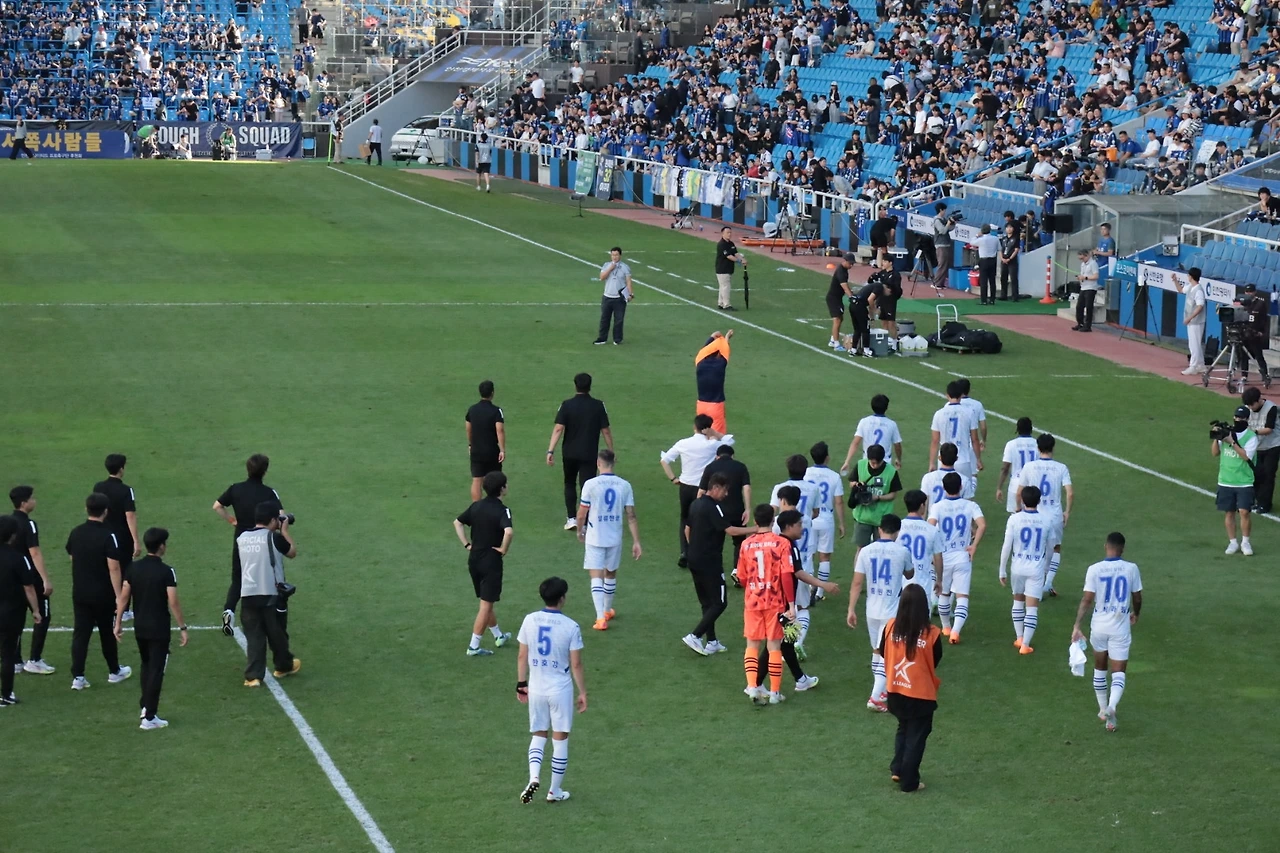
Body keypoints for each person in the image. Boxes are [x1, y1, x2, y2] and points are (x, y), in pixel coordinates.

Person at [516, 576, 586, 804]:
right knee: (560, 739)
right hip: (560, 689)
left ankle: (534, 777)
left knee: (538, 734)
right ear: (562, 598)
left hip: (536, 688)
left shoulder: (529, 620)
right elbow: (576, 664)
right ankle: (554, 791)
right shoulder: (571, 626)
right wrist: (582, 692)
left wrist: (521, 684)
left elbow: (522, 656)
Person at [113, 528, 188, 730]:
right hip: (159, 628)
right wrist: (182, 626)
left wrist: (118, 622)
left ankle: (145, 706)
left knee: (146, 666)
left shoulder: (133, 568)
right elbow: (173, 602)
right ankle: (149, 716)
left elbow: (123, 597)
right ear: (161, 546)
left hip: (140, 627)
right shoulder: (166, 571)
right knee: (156, 670)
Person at [1071, 532, 1142, 733]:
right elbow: (1137, 597)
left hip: (1099, 626)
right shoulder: (1131, 568)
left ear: (1105, 546)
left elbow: (1087, 599)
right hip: (1120, 626)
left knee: (1100, 667)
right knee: (1118, 671)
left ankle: (1103, 710)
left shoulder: (1094, 569)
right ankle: (1112, 707)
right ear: (1123, 549)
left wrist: (1077, 625)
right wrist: (1136, 613)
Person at [681, 473, 753, 655]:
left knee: (707, 602)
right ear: (715, 488)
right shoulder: (714, 507)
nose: (726, 494)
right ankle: (695, 635)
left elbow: (687, 529)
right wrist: (757, 529)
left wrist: (694, 548)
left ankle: (712, 641)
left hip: (694, 559)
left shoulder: (696, 504)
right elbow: (730, 530)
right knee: (720, 603)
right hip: (709, 562)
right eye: (725, 490)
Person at [881, 584, 943, 792]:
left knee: (904, 727)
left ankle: (898, 769)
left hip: (895, 690)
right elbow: (936, 659)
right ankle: (909, 781)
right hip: (920, 694)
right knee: (916, 737)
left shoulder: (891, 627)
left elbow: (882, 651)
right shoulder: (932, 634)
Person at [213, 454, 284, 636]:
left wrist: (232, 520)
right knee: (266, 578)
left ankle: (229, 611)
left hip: (241, 540)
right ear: (265, 471)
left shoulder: (235, 489)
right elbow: (281, 516)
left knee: (238, 578)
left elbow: (217, 506)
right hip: (263, 541)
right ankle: (268, 617)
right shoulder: (269, 493)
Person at [66, 493, 132, 690]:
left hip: (80, 591)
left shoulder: (76, 532)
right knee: (106, 632)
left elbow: (72, 557)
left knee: (81, 634)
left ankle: (78, 676)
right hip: (103, 593)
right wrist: (119, 596)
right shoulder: (108, 535)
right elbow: (114, 567)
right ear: (106, 511)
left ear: (86, 509)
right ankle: (114, 671)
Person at [847, 513, 911, 712]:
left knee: (877, 650)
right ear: (898, 531)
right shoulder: (902, 551)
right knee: (888, 653)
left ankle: (881, 691)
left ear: (880, 529)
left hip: (871, 610)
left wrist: (851, 609)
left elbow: (857, 582)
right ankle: (875, 697)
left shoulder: (866, 551)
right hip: (892, 611)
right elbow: (910, 574)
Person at [576, 449, 641, 630]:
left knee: (596, 574)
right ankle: (606, 611)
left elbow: (581, 513)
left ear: (598, 463)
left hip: (595, 536)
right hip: (615, 537)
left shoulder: (590, 484)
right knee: (610, 572)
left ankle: (600, 618)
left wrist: (580, 530)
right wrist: (636, 541)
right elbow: (631, 516)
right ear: (614, 463)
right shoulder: (625, 485)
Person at [738, 505, 796, 705]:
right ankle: (774, 693)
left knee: (752, 644)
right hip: (774, 601)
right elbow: (786, 575)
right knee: (774, 646)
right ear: (773, 520)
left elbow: (742, 577)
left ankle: (753, 687)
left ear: (755, 521)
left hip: (753, 600)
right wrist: (791, 604)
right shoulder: (781, 543)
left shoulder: (746, 544)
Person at [238, 503, 300, 685]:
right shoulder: (274, 538)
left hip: (248, 592)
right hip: (271, 593)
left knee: (254, 636)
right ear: (273, 520)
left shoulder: (242, 538)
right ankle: (283, 666)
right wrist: (285, 531)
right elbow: (292, 552)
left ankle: (253, 677)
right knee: (277, 633)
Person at [454, 472, 514, 655]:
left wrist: (467, 544)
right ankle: (474, 646)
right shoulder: (503, 510)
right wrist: (503, 549)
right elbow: (509, 532)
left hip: (474, 560)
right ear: (502, 489)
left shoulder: (476, 506)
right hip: (491, 561)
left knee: (486, 601)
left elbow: (457, 522)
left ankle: (498, 636)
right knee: (486, 605)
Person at [661, 415, 733, 568]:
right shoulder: (712, 445)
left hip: (685, 486)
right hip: (703, 487)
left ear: (694, 427)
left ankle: (685, 552)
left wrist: (673, 478)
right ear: (708, 428)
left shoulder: (683, 443)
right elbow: (729, 442)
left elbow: (664, 460)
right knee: (704, 519)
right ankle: (702, 550)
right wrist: (715, 433)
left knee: (685, 519)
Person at [547, 373, 613, 531]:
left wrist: (550, 450)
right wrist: (611, 450)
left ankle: (571, 518)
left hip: (569, 452)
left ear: (575, 385)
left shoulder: (566, 405)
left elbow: (558, 429)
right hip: (589, 452)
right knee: (587, 486)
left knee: (569, 483)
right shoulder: (598, 405)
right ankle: (586, 521)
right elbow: (605, 430)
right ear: (590, 386)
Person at [927, 473, 986, 642]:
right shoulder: (970, 505)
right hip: (962, 555)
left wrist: (931, 551)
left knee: (944, 594)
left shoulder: (937, 507)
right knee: (962, 596)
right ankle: (955, 631)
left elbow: (930, 528)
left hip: (943, 556)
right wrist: (974, 546)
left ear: (944, 488)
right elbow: (982, 525)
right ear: (961, 487)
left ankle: (946, 627)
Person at [1015, 433, 1073, 595]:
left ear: (1038, 448)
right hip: (1054, 516)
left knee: (1036, 549)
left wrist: (1018, 509)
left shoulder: (1029, 466)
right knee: (1056, 548)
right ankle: (1047, 583)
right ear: (1053, 448)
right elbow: (1069, 493)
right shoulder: (1061, 468)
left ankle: (1034, 583)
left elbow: (1019, 492)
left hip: (1034, 515)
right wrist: (1067, 512)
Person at [998, 486, 1053, 654]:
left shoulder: (1014, 519)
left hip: (1017, 567)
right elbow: (1050, 547)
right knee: (1032, 607)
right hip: (1036, 568)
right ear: (1039, 500)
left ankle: (1019, 637)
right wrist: (1047, 567)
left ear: (1022, 500)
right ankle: (1025, 645)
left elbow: (1006, 546)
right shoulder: (1046, 520)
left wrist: (1002, 570)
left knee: (1018, 600)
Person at [10, 485, 52, 675]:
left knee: (16, 618)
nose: (35, 501)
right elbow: (34, 553)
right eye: (32, 498)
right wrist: (45, 579)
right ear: (23, 503)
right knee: (43, 616)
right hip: (31, 579)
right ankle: (34, 659)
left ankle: (15, 661)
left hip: (12, 578)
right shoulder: (29, 524)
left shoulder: (7, 522)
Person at [0, 516, 41, 705]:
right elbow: (28, 587)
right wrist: (36, 610)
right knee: (8, 654)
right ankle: (6, 695)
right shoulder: (18, 558)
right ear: (13, 535)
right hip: (11, 613)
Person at [93, 454, 140, 612]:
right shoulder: (126, 490)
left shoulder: (98, 487)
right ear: (121, 469)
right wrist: (136, 540)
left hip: (101, 534)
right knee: (125, 571)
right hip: (122, 537)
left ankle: (107, 605)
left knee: (105, 570)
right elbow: (130, 515)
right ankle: (123, 609)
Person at [699, 444, 752, 582]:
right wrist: (747, 509)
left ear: (717, 456)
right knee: (739, 541)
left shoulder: (710, 467)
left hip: (715, 510)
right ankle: (737, 570)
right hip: (736, 510)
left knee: (716, 542)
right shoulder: (740, 466)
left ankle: (717, 572)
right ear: (732, 455)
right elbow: (746, 488)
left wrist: (699, 507)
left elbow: (702, 491)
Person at [1213, 405, 1257, 556]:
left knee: (1244, 512)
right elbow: (1215, 453)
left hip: (1244, 480)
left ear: (1247, 419)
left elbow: (1246, 456)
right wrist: (1217, 437)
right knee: (1229, 513)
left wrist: (1231, 442)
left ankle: (1245, 542)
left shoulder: (1251, 437)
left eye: (1241, 417)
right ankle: (1232, 542)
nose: (1238, 420)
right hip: (1226, 480)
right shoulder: (1227, 433)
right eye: (1237, 417)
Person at [804, 441, 845, 601]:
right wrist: (841, 523)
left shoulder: (806, 473)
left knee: (808, 554)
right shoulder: (834, 476)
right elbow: (839, 502)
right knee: (825, 557)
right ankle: (820, 593)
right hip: (826, 518)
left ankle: (808, 588)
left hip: (809, 518)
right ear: (827, 457)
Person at [896, 490, 944, 612]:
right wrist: (939, 580)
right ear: (922, 505)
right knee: (922, 619)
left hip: (900, 582)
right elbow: (938, 557)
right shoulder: (932, 530)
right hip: (923, 582)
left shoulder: (897, 527)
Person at [929, 382, 982, 488]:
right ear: (961, 395)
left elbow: (935, 441)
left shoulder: (939, 414)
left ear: (947, 395)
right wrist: (978, 459)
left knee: (946, 491)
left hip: (944, 461)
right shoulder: (969, 412)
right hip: (963, 460)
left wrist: (932, 463)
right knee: (966, 492)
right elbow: (975, 439)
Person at [465, 381, 506, 502]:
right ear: (492, 393)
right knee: (495, 478)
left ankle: (476, 507)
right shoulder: (496, 411)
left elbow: (468, 429)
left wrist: (470, 444)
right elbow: (500, 430)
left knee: (477, 480)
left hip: (476, 450)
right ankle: (494, 504)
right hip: (491, 450)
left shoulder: (472, 410)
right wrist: (502, 450)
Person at [842, 393, 903, 472]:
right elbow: (897, 445)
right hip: (885, 463)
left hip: (867, 462)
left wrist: (847, 461)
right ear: (886, 407)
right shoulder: (892, 424)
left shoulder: (864, 421)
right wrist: (898, 459)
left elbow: (855, 443)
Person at [1243, 388, 1280, 514]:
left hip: (1272, 446)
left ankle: (1265, 505)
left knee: (1268, 475)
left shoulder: (1271, 408)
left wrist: (1253, 432)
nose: (1250, 407)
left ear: (1259, 400)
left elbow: (1269, 429)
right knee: (1256, 474)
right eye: (1248, 405)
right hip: (1256, 447)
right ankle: (1257, 501)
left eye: (1252, 404)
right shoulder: (1247, 409)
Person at [996, 417, 1038, 514]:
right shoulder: (1037, 444)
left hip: (1016, 485)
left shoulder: (1011, 444)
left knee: (1015, 517)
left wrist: (999, 488)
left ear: (1017, 429)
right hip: (1034, 486)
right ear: (1031, 429)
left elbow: (1005, 468)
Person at [694, 330, 733, 432]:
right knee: (718, 437)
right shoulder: (720, 365)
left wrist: (711, 337)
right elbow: (725, 350)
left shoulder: (699, 362)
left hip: (701, 406)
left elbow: (703, 351)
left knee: (701, 435)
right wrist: (726, 338)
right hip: (715, 407)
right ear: (718, 354)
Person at [594, 247, 633, 345]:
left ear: (620, 255)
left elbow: (628, 282)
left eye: (616, 255)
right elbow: (602, 277)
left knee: (619, 320)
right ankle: (602, 338)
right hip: (607, 296)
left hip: (619, 298)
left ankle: (617, 339)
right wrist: (610, 268)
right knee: (604, 319)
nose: (614, 257)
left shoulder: (625, 267)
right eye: (613, 255)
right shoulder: (606, 265)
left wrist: (630, 294)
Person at [1236, 283, 1271, 387]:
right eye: (1247, 292)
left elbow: (1264, 319)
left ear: (1255, 292)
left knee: (1259, 356)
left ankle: (1265, 376)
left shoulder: (1260, 303)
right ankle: (1244, 376)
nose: (1248, 293)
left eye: (1250, 291)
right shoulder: (1241, 302)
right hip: (1243, 333)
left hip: (1255, 333)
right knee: (1243, 356)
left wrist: (1262, 332)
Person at [1175, 268, 1207, 375]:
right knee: (1195, 344)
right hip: (1192, 321)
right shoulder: (1190, 287)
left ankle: (1193, 366)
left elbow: (1200, 306)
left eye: (1188, 275)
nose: (1187, 277)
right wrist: (1175, 280)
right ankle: (1201, 365)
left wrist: (1189, 318)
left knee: (1194, 345)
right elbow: (1180, 290)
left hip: (1196, 322)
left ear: (1191, 277)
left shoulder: (1198, 291)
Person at [826, 252, 857, 352]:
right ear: (845, 261)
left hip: (837, 298)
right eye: (850, 263)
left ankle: (832, 340)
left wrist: (851, 293)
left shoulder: (844, 270)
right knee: (837, 320)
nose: (851, 265)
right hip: (833, 298)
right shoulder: (841, 272)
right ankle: (836, 344)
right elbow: (844, 286)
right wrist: (851, 296)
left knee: (840, 318)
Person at [714, 226, 747, 311]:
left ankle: (721, 303)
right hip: (722, 268)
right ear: (722, 233)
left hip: (728, 268)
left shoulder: (731, 243)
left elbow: (735, 253)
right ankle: (726, 305)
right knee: (725, 287)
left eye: (730, 232)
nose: (729, 234)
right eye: (727, 233)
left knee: (722, 286)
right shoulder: (721, 244)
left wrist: (742, 259)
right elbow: (728, 256)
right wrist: (739, 261)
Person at [1072, 249, 1100, 332]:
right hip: (1083, 287)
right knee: (1079, 307)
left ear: (1087, 255)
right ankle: (1080, 323)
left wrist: (1085, 278)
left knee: (1089, 307)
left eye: (1082, 258)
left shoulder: (1093, 264)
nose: (1082, 260)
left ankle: (1088, 325)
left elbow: (1096, 276)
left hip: (1091, 288)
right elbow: (1083, 274)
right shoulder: (1083, 264)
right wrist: (1080, 278)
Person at [975, 224, 1000, 305]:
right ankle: (992, 299)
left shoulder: (981, 239)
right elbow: (999, 248)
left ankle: (984, 300)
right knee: (992, 281)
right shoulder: (995, 238)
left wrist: (977, 235)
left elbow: (972, 242)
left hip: (984, 261)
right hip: (992, 260)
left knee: (983, 281)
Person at [931, 202, 953, 291]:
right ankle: (936, 283)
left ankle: (941, 283)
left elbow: (949, 229)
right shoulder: (937, 220)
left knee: (945, 265)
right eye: (944, 210)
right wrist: (948, 223)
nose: (945, 212)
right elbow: (942, 231)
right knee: (942, 264)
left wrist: (953, 223)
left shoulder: (943, 219)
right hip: (940, 244)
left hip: (946, 243)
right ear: (941, 210)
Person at [999, 222, 1020, 301]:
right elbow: (1000, 250)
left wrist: (1010, 259)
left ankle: (1015, 296)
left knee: (1013, 278)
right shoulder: (1003, 239)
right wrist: (1002, 258)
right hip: (1003, 260)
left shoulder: (1016, 238)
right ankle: (1003, 295)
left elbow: (1016, 250)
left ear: (1013, 229)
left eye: (1010, 227)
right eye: (1007, 227)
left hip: (1012, 261)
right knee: (1003, 278)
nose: (1009, 229)